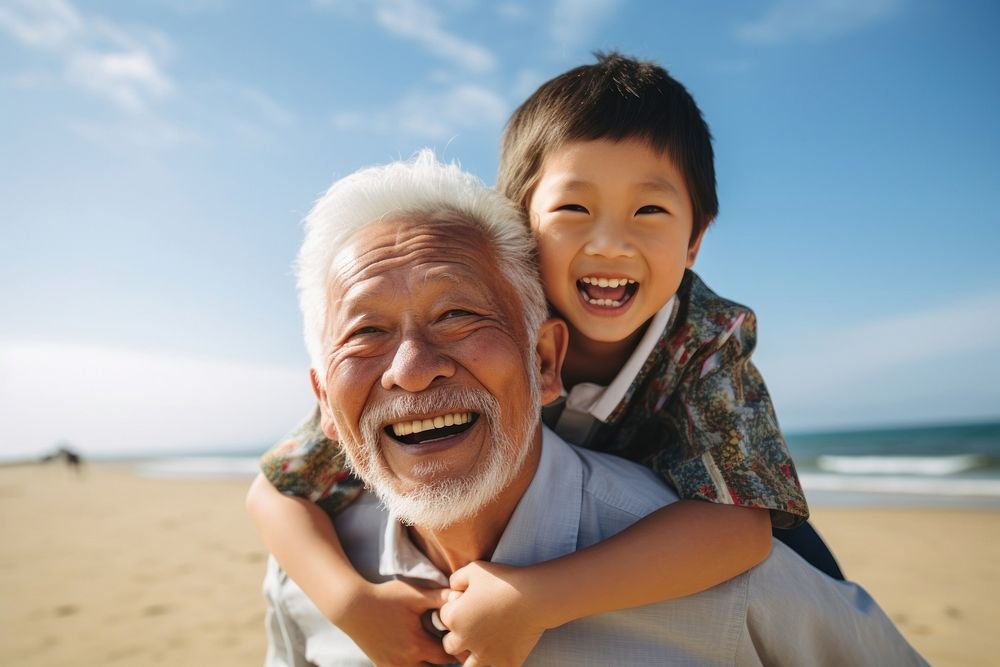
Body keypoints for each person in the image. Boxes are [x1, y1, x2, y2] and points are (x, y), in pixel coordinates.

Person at [248, 52, 839, 665]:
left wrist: (538, 599)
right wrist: (350, 604)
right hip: (538, 504)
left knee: (804, 568)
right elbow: (277, 490)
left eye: (651, 211)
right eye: (573, 210)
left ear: (695, 239)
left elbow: (739, 525)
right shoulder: (470, 317)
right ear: (521, 226)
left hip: (676, 509)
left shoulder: (707, 336)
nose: (610, 242)